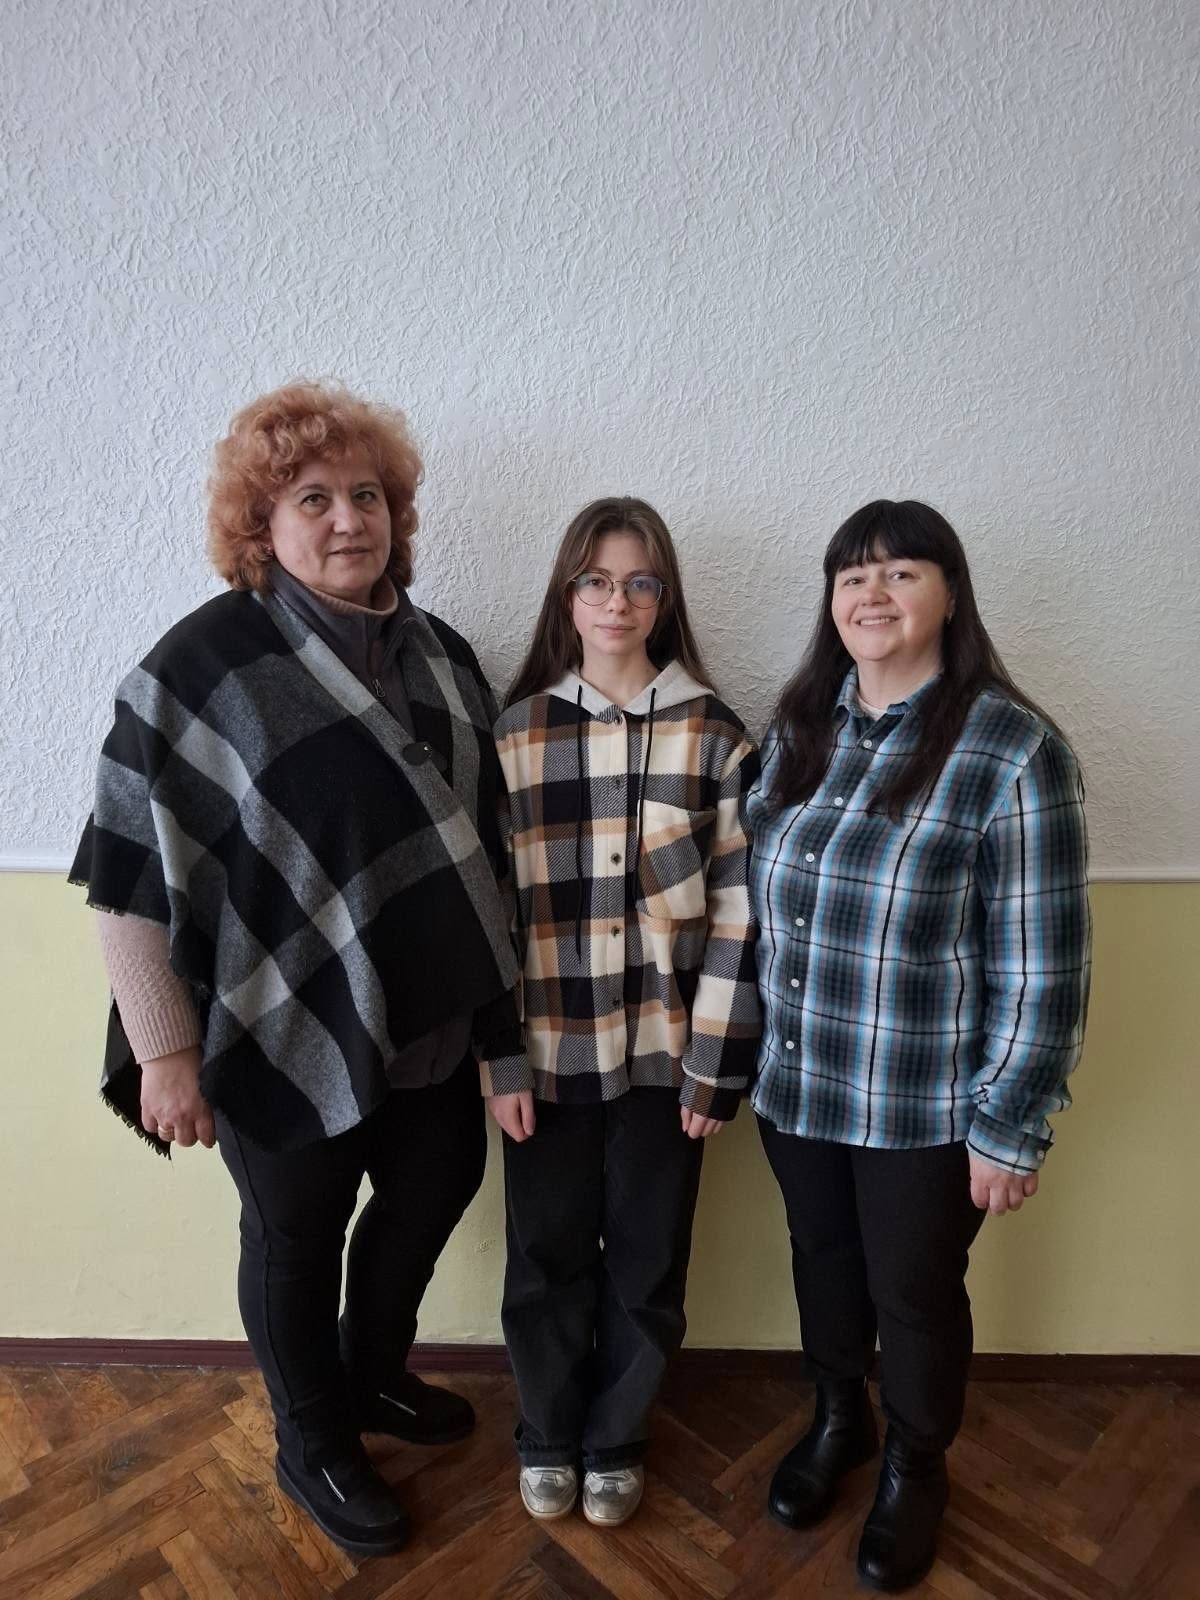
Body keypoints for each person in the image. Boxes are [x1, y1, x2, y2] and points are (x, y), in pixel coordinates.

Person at [71, 381, 528, 1560]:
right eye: (312, 499)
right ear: (260, 525)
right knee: (295, 1236)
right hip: (270, 1023)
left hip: (425, 1019)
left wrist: (499, 1031)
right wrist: (165, 1052)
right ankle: (311, 1435)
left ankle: (371, 1372)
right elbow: (128, 876)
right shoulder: (201, 668)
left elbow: (483, 852)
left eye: (366, 495)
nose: (347, 520)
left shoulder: (443, 659)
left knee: (435, 1185)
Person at [748, 500, 1090, 1593]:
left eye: (901, 572)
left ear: (949, 594)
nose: (873, 593)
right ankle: (838, 1417)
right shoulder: (799, 727)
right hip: (798, 1086)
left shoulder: (1011, 748)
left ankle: (915, 1464)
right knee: (822, 1262)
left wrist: (1010, 1124)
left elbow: (1043, 965)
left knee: (915, 1293)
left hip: (923, 1105)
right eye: (853, 575)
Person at [483, 497, 760, 1528]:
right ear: (568, 595)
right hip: (546, 1055)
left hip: (666, 1059)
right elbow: (491, 916)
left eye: (640, 582)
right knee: (543, 1254)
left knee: (648, 1259)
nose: (617, 601)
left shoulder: (713, 735)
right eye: (596, 580)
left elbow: (738, 914)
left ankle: (617, 1436)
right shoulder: (516, 737)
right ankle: (547, 1432)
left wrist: (715, 1065)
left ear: (664, 597)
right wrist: (500, 1060)